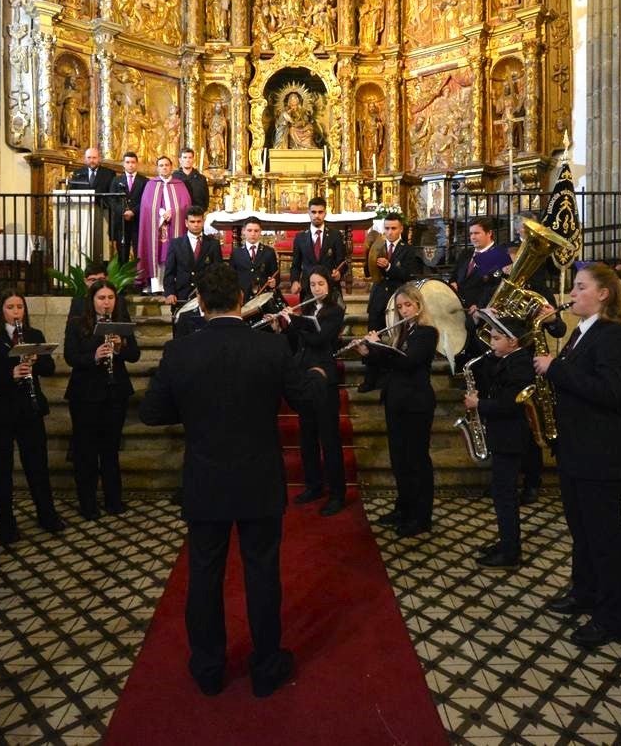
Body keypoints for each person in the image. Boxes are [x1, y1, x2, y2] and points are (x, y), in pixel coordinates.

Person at [139, 264, 324, 698]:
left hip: (206, 479)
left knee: (204, 575)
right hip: (259, 478)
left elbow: (151, 413)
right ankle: (265, 667)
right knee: (262, 574)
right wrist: (317, 378)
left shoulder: (180, 351)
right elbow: (304, 401)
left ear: (200, 304)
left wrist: (193, 410)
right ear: (243, 300)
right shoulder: (271, 349)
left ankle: (208, 668)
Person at [533, 262, 621, 648]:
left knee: (605, 537)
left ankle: (613, 617)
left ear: (603, 294)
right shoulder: (582, 332)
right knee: (581, 530)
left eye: (580, 288)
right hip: (577, 447)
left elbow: (608, 391)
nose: (571, 295)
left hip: (601, 451)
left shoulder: (614, 335)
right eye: (574, 287)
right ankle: (585, 592)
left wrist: (553, 370)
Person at [0, 289, 65, 543]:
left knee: (37, 466)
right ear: (0, 310)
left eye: (20, 307)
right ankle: (6, 525)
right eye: (11, 307)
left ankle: (47, 515)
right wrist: (9, 375)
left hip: (29, 409)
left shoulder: (33, 335)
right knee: (1, 470)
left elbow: (49, 368)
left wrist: (36, 360)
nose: (16, 312)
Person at [359, 283, 437, 537]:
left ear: (418, 306)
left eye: (408, 305)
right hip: (396, 401)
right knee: (399, 460)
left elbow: (408, 362)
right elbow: (390, 364)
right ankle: (403, 508)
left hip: (416, 404)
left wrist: (378, 346)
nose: (404, 311)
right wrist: (369, 353)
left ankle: (421, 516)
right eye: (400, 306)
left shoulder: (426, 332)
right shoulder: (403, 331)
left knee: (416, 461)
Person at [273, 267, 347, 516]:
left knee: (329, 439)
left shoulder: (335, 311)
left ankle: (337, 494)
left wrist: (293, 322)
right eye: (313, 285)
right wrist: (282, 326)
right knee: (307, 437)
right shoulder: (306, 310)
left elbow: (319, 340)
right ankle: (314, 486)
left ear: (329, 286)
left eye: (320, 284)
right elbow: (297, 343)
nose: (316, 288)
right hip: (305, 376)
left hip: (324, 377)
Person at [65, 278, 140, 520]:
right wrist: (94, 355)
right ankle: (88, 504)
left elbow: (135, 355)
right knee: (86, 450)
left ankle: (113, 501)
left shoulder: (121, 324)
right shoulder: (77, 323)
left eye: (110, 298)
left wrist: (120, 346)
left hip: (114, 392)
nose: (106, 303)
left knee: (110, 450)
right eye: (101, 298)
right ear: (92, 300)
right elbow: (70, 357)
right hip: (85, 394)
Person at [466, 311, 537, 568]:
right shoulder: (504, 358)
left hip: (511, 436)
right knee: (501, 493)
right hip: (501, 434)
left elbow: (510, 405)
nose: (492, 343)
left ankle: (510, 552)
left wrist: (479, 404)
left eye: (496, 338)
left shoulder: (520, 364)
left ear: (514, 341)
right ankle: (507, 542)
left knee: (505, 495)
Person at [137, 155, 192, 290]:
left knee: (171, 252)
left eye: (166, 165)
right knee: (156, 251)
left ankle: (172, 284)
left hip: (174, 224)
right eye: (161, 165)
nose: (164, 167)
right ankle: (156, 285)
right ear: (157, 168)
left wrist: (173, 212)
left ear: (171, 167)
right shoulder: (151, 184)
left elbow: (186, 204)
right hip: (157, 225)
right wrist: (161, 213)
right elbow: (146, 205)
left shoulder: (179, 185)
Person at [365, 212, 422, 333]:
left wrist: (389, 267)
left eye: (393, 228)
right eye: (387, 228)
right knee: (373, 339)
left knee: (397, 337)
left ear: (401, 229)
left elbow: (408, 275)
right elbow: (367, 273)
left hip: (397, 299)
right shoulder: (377, 246)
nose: (389, 232)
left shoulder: (409, 250)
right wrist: (369, 254)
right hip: (377, 299)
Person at [164, 206, 224, 307]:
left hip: (206, 298)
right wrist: (170, 293)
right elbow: (169, 273)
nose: (196, 225)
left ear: (203, 222)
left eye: (198, 221)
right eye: (192, 222)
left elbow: (218, 272)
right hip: (181, 297)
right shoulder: (175, 244)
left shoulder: (213, 244)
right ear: (186, 223)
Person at [289, 197, 347, 295]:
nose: (317, 215)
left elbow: (342, 262)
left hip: (330, 287)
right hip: (308, 288)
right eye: (314, 212)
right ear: (309, 213)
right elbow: (295, 265)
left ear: (325, 213)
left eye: (320, 212)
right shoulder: (300, 238)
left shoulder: (335, 235)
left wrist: (339, 273)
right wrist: (294, 281)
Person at [110, 151, 147, 267]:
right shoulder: (116, 180)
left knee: (138, 251)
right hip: (121, 222)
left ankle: (139, 279)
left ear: (137, 164)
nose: (130, 165)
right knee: (122, 251)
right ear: (123, 164)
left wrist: (133, 211)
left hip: (138, 221)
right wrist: (123, 212)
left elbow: (146, 200)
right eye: (128, 162)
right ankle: (123, 280)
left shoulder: (144, 181)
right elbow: (112, 199)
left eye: (133, 162)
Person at [230, 219, 280, 300]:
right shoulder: (236, 253)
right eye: (249, 230)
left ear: (260, 232)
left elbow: (276, 275)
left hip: (263, 297)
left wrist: (274, 282)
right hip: (242, 297)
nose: (253, 234)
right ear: (243, 231)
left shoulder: (269, 252)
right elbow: (231, 276)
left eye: (256, 231)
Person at [173, 145, 210, 211]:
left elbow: (206, 199)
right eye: (185, 157)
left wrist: (201, 210)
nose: (187, 160)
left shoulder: (201, 178)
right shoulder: (174, 178)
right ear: (180, 160)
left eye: (190, 157)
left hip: (197, 213)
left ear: (193, 159)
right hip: (179, 213)